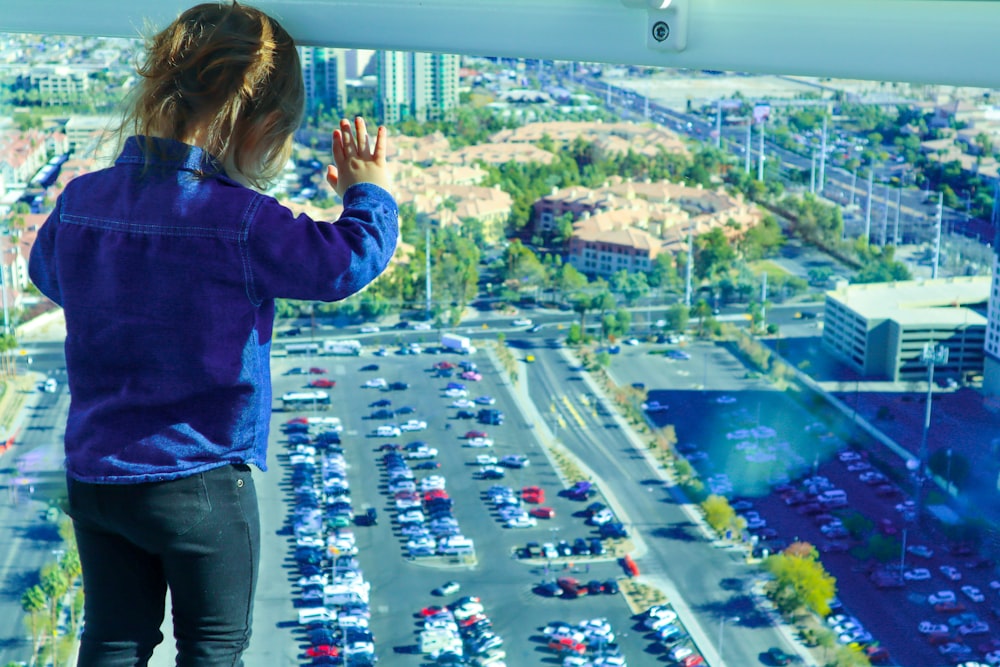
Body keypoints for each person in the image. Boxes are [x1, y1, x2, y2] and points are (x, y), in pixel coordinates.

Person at [27, 3, 397, 666]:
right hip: (199, 482)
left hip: (98, 478)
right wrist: (369, 194)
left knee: (113, 638)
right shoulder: (245, 222)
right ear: (257, 125)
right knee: (214, 647)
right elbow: (343, 263)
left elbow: (49, 273)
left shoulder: (80, 200)